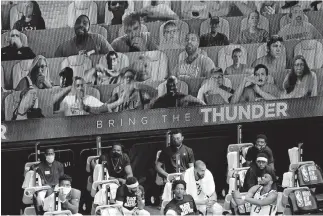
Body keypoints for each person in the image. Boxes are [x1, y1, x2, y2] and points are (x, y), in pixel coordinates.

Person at [34, 148, 64, 215]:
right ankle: (43, 212)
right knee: (39, 197)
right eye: (48, 154)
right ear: (45, 155)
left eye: (51, 154)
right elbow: (33, 169)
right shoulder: (40, 166)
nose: (50, 156)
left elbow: (62, 179)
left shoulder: (59, 165)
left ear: (54, 154)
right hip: (45, 189)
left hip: (57, 188)